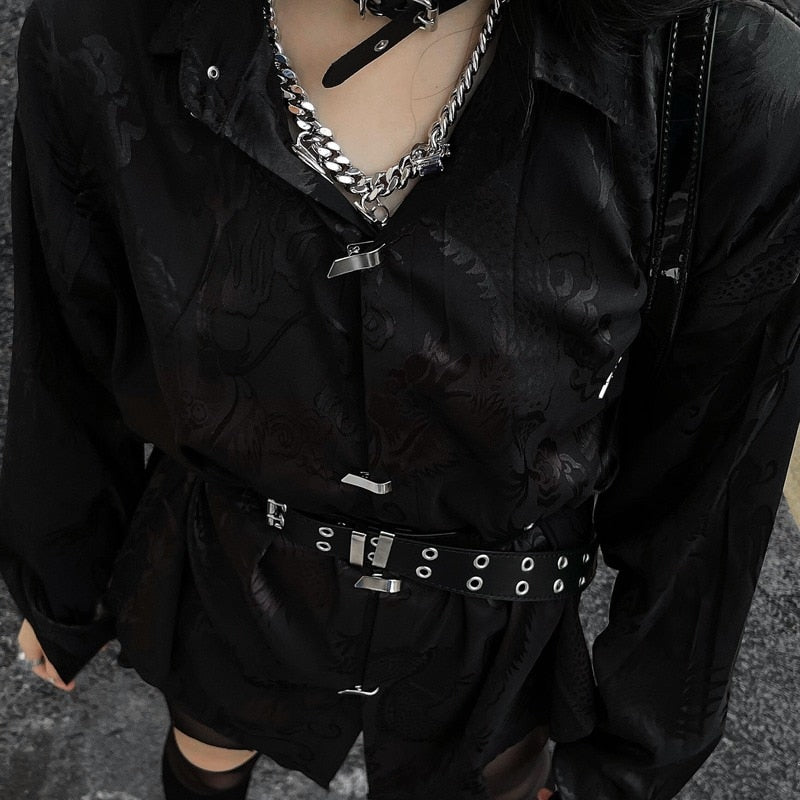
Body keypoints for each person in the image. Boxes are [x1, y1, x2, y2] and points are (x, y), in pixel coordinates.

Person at [2, 0, 799, 798]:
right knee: (208, 747)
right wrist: (61, 582)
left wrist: (626, 764)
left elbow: (711, 490)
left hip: (495, 630)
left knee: (496, 775)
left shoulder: (721, 81)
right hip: (225, 580)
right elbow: (67, 339)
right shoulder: (100, 29)